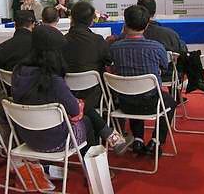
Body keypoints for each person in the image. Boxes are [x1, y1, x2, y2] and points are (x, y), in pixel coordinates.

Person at [11, 25, 131, 157]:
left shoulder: (18, 72)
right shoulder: (53, 81)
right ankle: (93, 166)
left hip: (27, 136)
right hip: (54, 141)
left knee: (84, 107)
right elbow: (74, 111)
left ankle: (113, 137)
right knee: (87, 118)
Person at [110, 5, 176, 157]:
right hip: (152, 104)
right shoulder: (156, 47)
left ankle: (138, 139)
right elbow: (165, 67)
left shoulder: (114, 48)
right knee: (171, 102)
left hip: (124, 103)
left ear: (125, 24)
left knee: (132, 88)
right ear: (147, 25)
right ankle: (156, 141)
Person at [63, 1, 112, 109]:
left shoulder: (62, 41)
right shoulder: (98, 40)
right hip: (95, 97)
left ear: (72, 19)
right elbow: (109, 61)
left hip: (68, 98)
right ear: (91, 21)